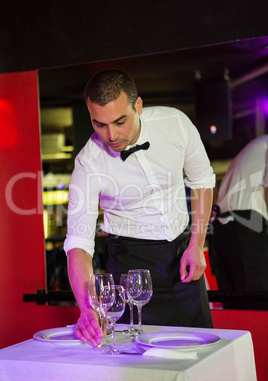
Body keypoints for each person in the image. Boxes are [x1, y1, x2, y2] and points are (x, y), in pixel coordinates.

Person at [64, 69, 215, 346]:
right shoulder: (88, 163)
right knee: (135, 363)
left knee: (199, 352)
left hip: (183, 257)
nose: (111, 135)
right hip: (130, 267)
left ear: (139, 106)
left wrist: (197, 243)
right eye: (99, 124)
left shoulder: (175, 124)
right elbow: (78, 243)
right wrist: (87, 306)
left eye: (120, 121)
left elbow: (202, 179)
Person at [209, 135, 268, 302]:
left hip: (227, 227)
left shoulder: (258, 144)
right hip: (246, 224)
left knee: (236, 303)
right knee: (257, 303)